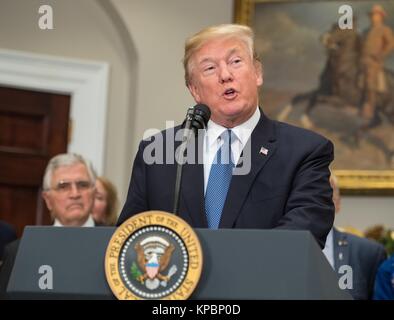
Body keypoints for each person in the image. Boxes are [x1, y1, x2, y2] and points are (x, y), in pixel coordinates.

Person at [118, 24, 335, 249]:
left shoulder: (305, 151)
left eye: (235, 62)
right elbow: (130, 238)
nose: (225, 75)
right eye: (210, 68)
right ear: (194, 90)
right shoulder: (158, 153)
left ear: (257, 73)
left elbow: (303, 235)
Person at [0, 153, 98, 298]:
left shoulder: (119, 246)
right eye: (63, 186)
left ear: (94, 193)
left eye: (82, 185)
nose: (75, 193)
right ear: (47, 199)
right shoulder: (19, 252)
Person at [323, 175, 386, 300]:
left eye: (325, 194)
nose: (316, 202)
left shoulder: (368, 253)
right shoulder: (280, 250)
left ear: (338, 203)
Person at [360, 4, 393, 126]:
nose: (373, 17)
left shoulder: (384, 29)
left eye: (376, 15)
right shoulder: (367, 30)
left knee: (370, 81)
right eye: (372, 15)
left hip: (374, 62)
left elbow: (390, 44)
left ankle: (370, 107)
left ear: (381, 17)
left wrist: (381, 55)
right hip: (363, 60)